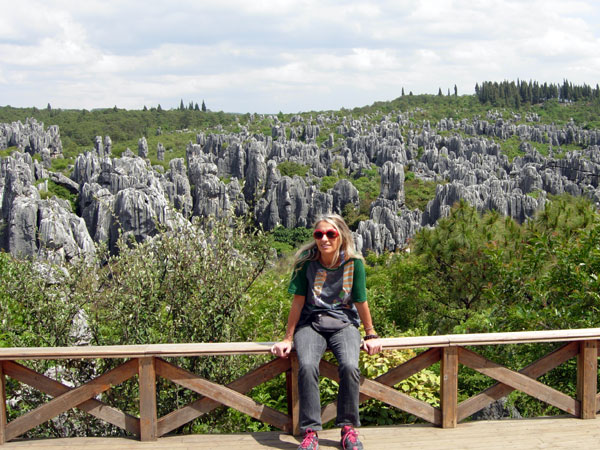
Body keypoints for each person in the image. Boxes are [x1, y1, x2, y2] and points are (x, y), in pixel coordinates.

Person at [271, 214, 382, 450]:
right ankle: (310, 431)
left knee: (350, 366)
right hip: (311, 323)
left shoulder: (354, 264)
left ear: (341, 236)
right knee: (308, 365)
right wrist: (287, 338)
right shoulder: (306, 262)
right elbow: (298, 302)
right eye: (319, 234)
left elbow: (361, 301)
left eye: (330, 234)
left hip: (344, 324)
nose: (324, 239)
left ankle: (348, 429)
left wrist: (371, 334)